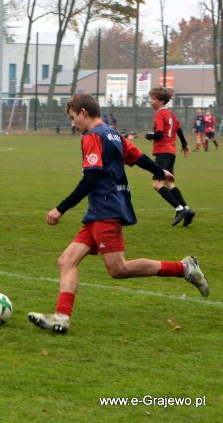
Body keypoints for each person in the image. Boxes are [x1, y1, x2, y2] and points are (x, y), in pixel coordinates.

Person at [28, 93, 209, 335]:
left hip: (106, 208)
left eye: (73, 118)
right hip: (100, 208)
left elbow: (91, 178)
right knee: (67, 261)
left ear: (83, 112)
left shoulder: (93, 137)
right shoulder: (113, 134)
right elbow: (138, 157)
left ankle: (185, 268)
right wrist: (160, 172)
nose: (73, 124)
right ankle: (61, 318)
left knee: (118, 269)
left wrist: (60, 208)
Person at [145, 87, 195, 227]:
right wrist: (184, 144)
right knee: (169, 183)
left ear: (161, 101)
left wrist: (149, 136)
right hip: (171, 153)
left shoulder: (160, 114)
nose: (151, 102)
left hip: (163, 153)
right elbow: (178, 129)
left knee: (156, 184)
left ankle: (179, 209)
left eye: (153, 99)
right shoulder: (170, 114)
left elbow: (159, 134)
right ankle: (186, 210)